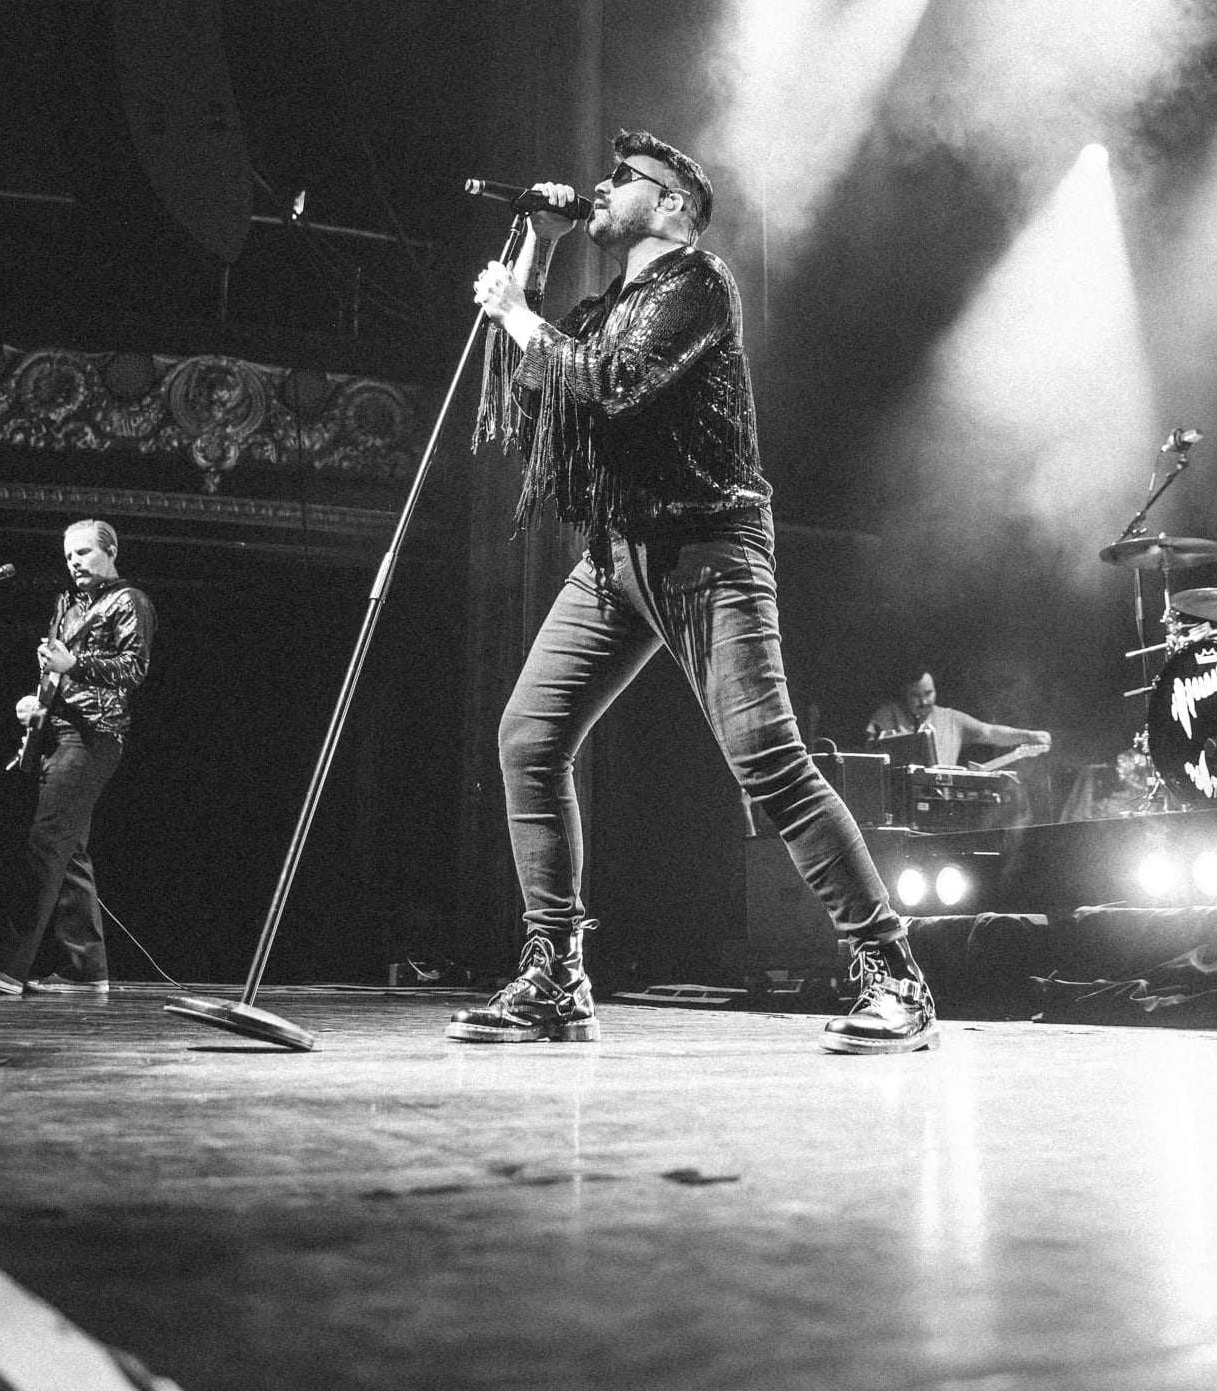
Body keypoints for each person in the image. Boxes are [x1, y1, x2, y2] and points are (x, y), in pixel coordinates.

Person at [449, 130, 937, 1054]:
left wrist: (515, 311)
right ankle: (555, 976)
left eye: (621, 178)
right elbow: (546, 402)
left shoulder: (697, 284)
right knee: (529, 739)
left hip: (707, 548)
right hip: (616, 554)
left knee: (767, 760)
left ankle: (894, 975)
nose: (599, 187)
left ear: (671, 203)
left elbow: (610, 385)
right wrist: (539, 255)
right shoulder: (606, 304)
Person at [0, 519, 155, 996]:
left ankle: (5, 965)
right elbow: (56, 670)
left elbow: (133, 668)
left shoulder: (130, 601)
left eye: (84, 552)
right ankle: (86, 968)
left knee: (45, 845)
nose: (74, 561)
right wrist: (37, 703)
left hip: (93, 736)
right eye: (69, 555)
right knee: (70, 852)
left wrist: (73, 664)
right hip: (58, 731)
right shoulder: (67, 605)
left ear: (111, 551)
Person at [867, 670, 1050, 771]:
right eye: (916, 695)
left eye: (928, 693)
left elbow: (990, 732)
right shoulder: (888, 714)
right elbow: (871, 755)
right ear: (904, 695)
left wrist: (1029, 735)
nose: (924, 701)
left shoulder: (952, 718)